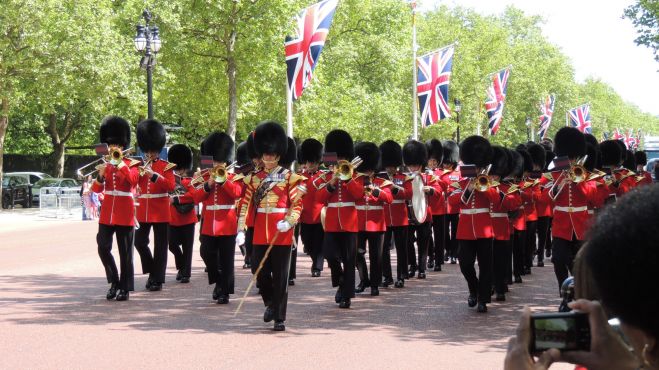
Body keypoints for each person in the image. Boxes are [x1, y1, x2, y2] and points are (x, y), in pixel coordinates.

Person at [504, 185, 659, 370]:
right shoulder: (557, 179)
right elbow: (548, 197)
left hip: (579, 223)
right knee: (561, 259)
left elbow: (597, 199)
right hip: (563, 226)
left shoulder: (590, 181)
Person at [239, 121, 306, 331]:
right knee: (259, 272)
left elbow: (297, 204)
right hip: (260, 231)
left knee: (281, 275)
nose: (268, 158)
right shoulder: (253, 179)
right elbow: (245, 205)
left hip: (281, 231)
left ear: (278, 155)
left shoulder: (289, 178)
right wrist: (240, 229)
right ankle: (269, 302)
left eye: (271, 154)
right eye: (265, 154)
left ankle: (279, 317)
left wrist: (289, 221)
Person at [187, 132, 242, 304]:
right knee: (206, 252)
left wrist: (223, 180)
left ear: (225, 161)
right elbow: (195, 197)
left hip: (227, 222)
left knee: (226, 260)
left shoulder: (234, 177)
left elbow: (236, 194)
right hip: (209, 223)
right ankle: (219, 281)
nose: (216, 164)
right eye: (215, 161)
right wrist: (208, 184)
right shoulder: (205, 177)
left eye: (219, 161)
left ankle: (224, 291)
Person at [448, 136, 498, 313]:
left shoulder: (488, 182)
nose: (476, 170)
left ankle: (483, 299)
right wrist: (467, 189)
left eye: (478, 167)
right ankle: (474, 289)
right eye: (473, 166)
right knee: (465, 264)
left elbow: (497, 199)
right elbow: (452, 201)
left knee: (486, 266)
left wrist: (484, 187)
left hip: (484, 229)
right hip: (466, 229)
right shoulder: (459, 182)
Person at [92, 116, 140, 301]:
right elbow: (96, 190)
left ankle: (125, 288)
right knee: (103, 247)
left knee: (125, 252)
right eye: (110, 144)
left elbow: (133, 181)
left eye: (116, 145)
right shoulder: (106, 164)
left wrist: (120, 164)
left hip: (125, 212)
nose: (113, 147)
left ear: (122, 145)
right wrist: (100, 176)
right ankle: (114, 281)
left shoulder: (132, 164)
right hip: (107, 214)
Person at [315, 129, 363, 309]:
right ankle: (342, 281)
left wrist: (348, 178)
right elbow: (319, 198)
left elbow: (358, 195)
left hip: (350, 222)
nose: (341, 160)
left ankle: (347, 296)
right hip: (332, 223)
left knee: (349, 259)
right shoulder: (327, 176)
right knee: (330, 255)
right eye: (339, 157)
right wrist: (333, 181)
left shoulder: (355, 175)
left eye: (344, 157)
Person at [133, 119, 176, 292]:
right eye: (147, 151)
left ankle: (157, 279)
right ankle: (152, 270)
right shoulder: (139, 166)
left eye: (152, 151)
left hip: (161, 209)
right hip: (143, 209)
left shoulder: (166, 167)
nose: (150, 154)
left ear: (157, 150)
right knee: (139, 242)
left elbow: (171, 186)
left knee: (160, 247)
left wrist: (154, 175)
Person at [354, 141, 393, 296]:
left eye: (369, 170)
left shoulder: (382, 182)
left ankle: (375, 284)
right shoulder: (355, 181)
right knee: (357, 254)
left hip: (376, 224)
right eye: (365, 170)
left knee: (376, 257)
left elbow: (389, 199)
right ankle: (364, 280)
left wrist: (375, 190)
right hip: (358, 223)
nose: (367, 172)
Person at [380, 140, 413, 288]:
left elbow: (409, 194)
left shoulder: (404, 178)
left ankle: (401, 276)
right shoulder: (380, 178)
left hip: (400, 217)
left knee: (401, 248)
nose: (390, 169)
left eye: (392, 166)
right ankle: (387, 276)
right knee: (384, 248)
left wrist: (394, 188)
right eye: (388, 166)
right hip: (385, 217)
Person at [167, 144, 197, 284]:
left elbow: (193, 196)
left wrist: (177, 198)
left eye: (180, 169)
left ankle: (186, 273)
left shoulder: (190, 182)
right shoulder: (170, 181)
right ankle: (181, 266)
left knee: (187, 247)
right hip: (173, 218)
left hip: (188, 219)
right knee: (172, 245)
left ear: (185, 169)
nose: (178, 171)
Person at [298, 138, 326, 278]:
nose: (310, 165)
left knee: (319, 244)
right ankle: (315, 262)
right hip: (305, 215)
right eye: (308, 162)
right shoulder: (299, 177)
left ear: (317, 163)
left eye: (313, 162)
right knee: (307, 244)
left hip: (319, 215)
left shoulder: (323, 176)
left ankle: (317, 267)